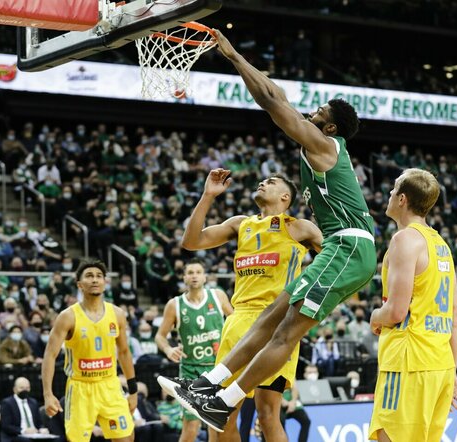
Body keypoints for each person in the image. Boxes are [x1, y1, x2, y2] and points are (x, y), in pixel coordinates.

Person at [165, 30, 376, 433]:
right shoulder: (315, 152)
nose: (309, 112)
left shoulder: (326, 147)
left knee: (282, 334)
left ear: (329, 128)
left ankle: (222, 400)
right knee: (273, 315)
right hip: (337, 254)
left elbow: (272, 102)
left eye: (317, 111)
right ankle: (208, 388)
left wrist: (231, 55)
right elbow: (277, 94)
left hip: (349, 246)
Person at [160, 169, 322, 441]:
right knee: (219, 417)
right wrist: (208, 195)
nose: (262, 183)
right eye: (262, 180)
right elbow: (191, 241)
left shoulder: (299, 227)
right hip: (239, 320)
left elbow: (336, 260)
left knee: (269, 414)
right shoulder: (240, 224)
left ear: (285, 196)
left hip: (277, 322)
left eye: (270, 182)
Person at [368, 169, 457, 442]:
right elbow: (455, 315)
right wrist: (452, 371)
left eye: (393, 189)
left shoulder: (404, 239)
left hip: (408, 363)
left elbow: (396, 312)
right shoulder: (441, 244)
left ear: (402, 199)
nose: (388, 194)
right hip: (440, 365)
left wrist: (375, 317)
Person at [41, 259, 138, 442]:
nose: (95, 280)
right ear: (80, 284)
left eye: (99, 276)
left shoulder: (117, 314)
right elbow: (50, 355)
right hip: (80, 388)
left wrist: (133, 391)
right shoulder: (67, 316)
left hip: (109, 385)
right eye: (89, 276)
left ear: (105, 282)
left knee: (126, 438)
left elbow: (124, 352)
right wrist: (48, 394)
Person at [155, 258, 232, 442]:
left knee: (216, 427)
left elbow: (235, 321)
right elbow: (159, 336)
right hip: (191, 370)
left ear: (205, 277)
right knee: (190, 428)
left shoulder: (218, 296)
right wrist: (168, 349)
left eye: (198, 272)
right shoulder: (174, 305)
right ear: (184, 278)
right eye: (190, 272)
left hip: (218, 369)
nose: (194, 276)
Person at [0, 377, 50, 442]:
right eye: (21, 388)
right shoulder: (7, 403)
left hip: (34, 434)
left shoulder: (33, 402)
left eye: (27, 388)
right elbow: (6, 426)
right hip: (15, 435)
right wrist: (24, 430)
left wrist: (42, 429)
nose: (25, 390)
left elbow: (39, 422)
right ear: (14, 389)